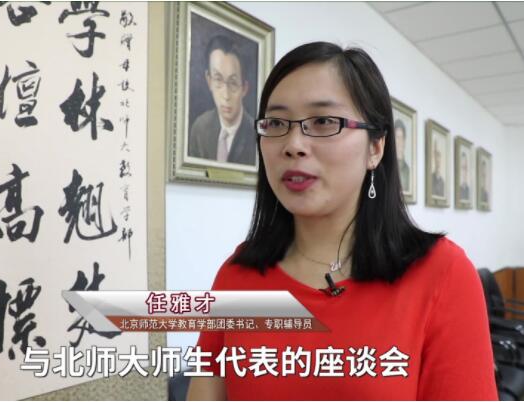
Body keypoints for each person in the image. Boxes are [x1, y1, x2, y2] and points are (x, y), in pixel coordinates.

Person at [187, 42, 497, 400]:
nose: (293, 144)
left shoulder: (442, 274)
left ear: (375, 147)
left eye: (323, 122)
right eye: (276, 123)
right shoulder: (236, 276)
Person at [188, 35, 256, 166]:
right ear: (209, 81)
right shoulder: (199, 129)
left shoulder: (255, 135)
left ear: (244, 88)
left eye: (233, 83)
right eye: (218, 80)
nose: (226, 95)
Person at [394, 118, 410, 192]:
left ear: (404, 141)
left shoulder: (408, 170)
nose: (399, 142)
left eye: (402, 138)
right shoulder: (388, 167)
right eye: (397, 137)